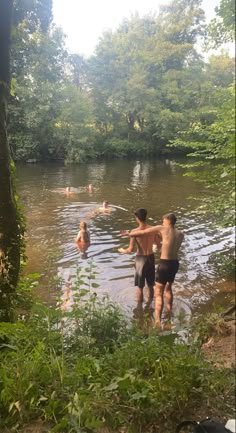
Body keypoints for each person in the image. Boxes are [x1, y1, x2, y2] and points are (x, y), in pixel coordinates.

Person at [129, 213, 184, 328]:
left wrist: (130, 233)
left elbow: (144, 232)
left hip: (165, 263)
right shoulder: (181, 234)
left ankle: (158, 322)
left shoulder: (162, 228)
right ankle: (169, 314)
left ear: (168, 221)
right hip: (175, 263)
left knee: (159, 293)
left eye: (163, 220)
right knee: (169, 289)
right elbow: (166, 241)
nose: (162, 222)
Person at [118, 208, 161, 303]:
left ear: (137, 218)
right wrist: (153, 246)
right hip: (150, 257)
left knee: (140, 287)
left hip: (140, 259)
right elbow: (159, 245)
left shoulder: (134, 232)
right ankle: (150, 305)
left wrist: (121, 250)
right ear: (146, 217)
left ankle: (139, 308)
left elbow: (130, 250)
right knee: (150, 285)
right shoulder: (153, 230)